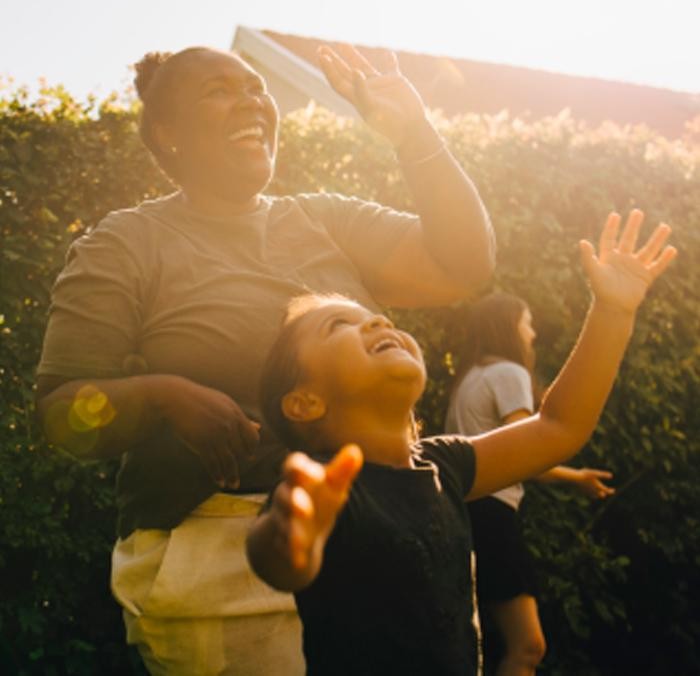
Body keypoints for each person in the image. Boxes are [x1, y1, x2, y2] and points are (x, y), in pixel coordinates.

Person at [34, 43, 495, 675]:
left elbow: (465, 265)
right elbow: (61, 412)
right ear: (167, 134)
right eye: (218, 91)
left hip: (376, 538)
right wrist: (161, 396)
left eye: (255, 87)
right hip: (220, 568)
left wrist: (413, 133)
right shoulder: (124, 244)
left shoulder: (324, 218)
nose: (251, 100)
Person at [246, 210, 675, 676]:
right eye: (339, 326)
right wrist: (292, 539)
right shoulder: (326, 489)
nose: (377, 325)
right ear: (304, 403)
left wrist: (613, 311)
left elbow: (559, 426)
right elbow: (278, 560)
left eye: (379, 319)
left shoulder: (443, 463)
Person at [445, 292, 615, 676]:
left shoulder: (469, 377)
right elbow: (527, 454)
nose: (533, 333)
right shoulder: (508, 373)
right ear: (509, 327)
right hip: (493, 515)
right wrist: (578, 479)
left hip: (462, 514)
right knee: (528, 646)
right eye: (527, 322)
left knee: (484, 641)